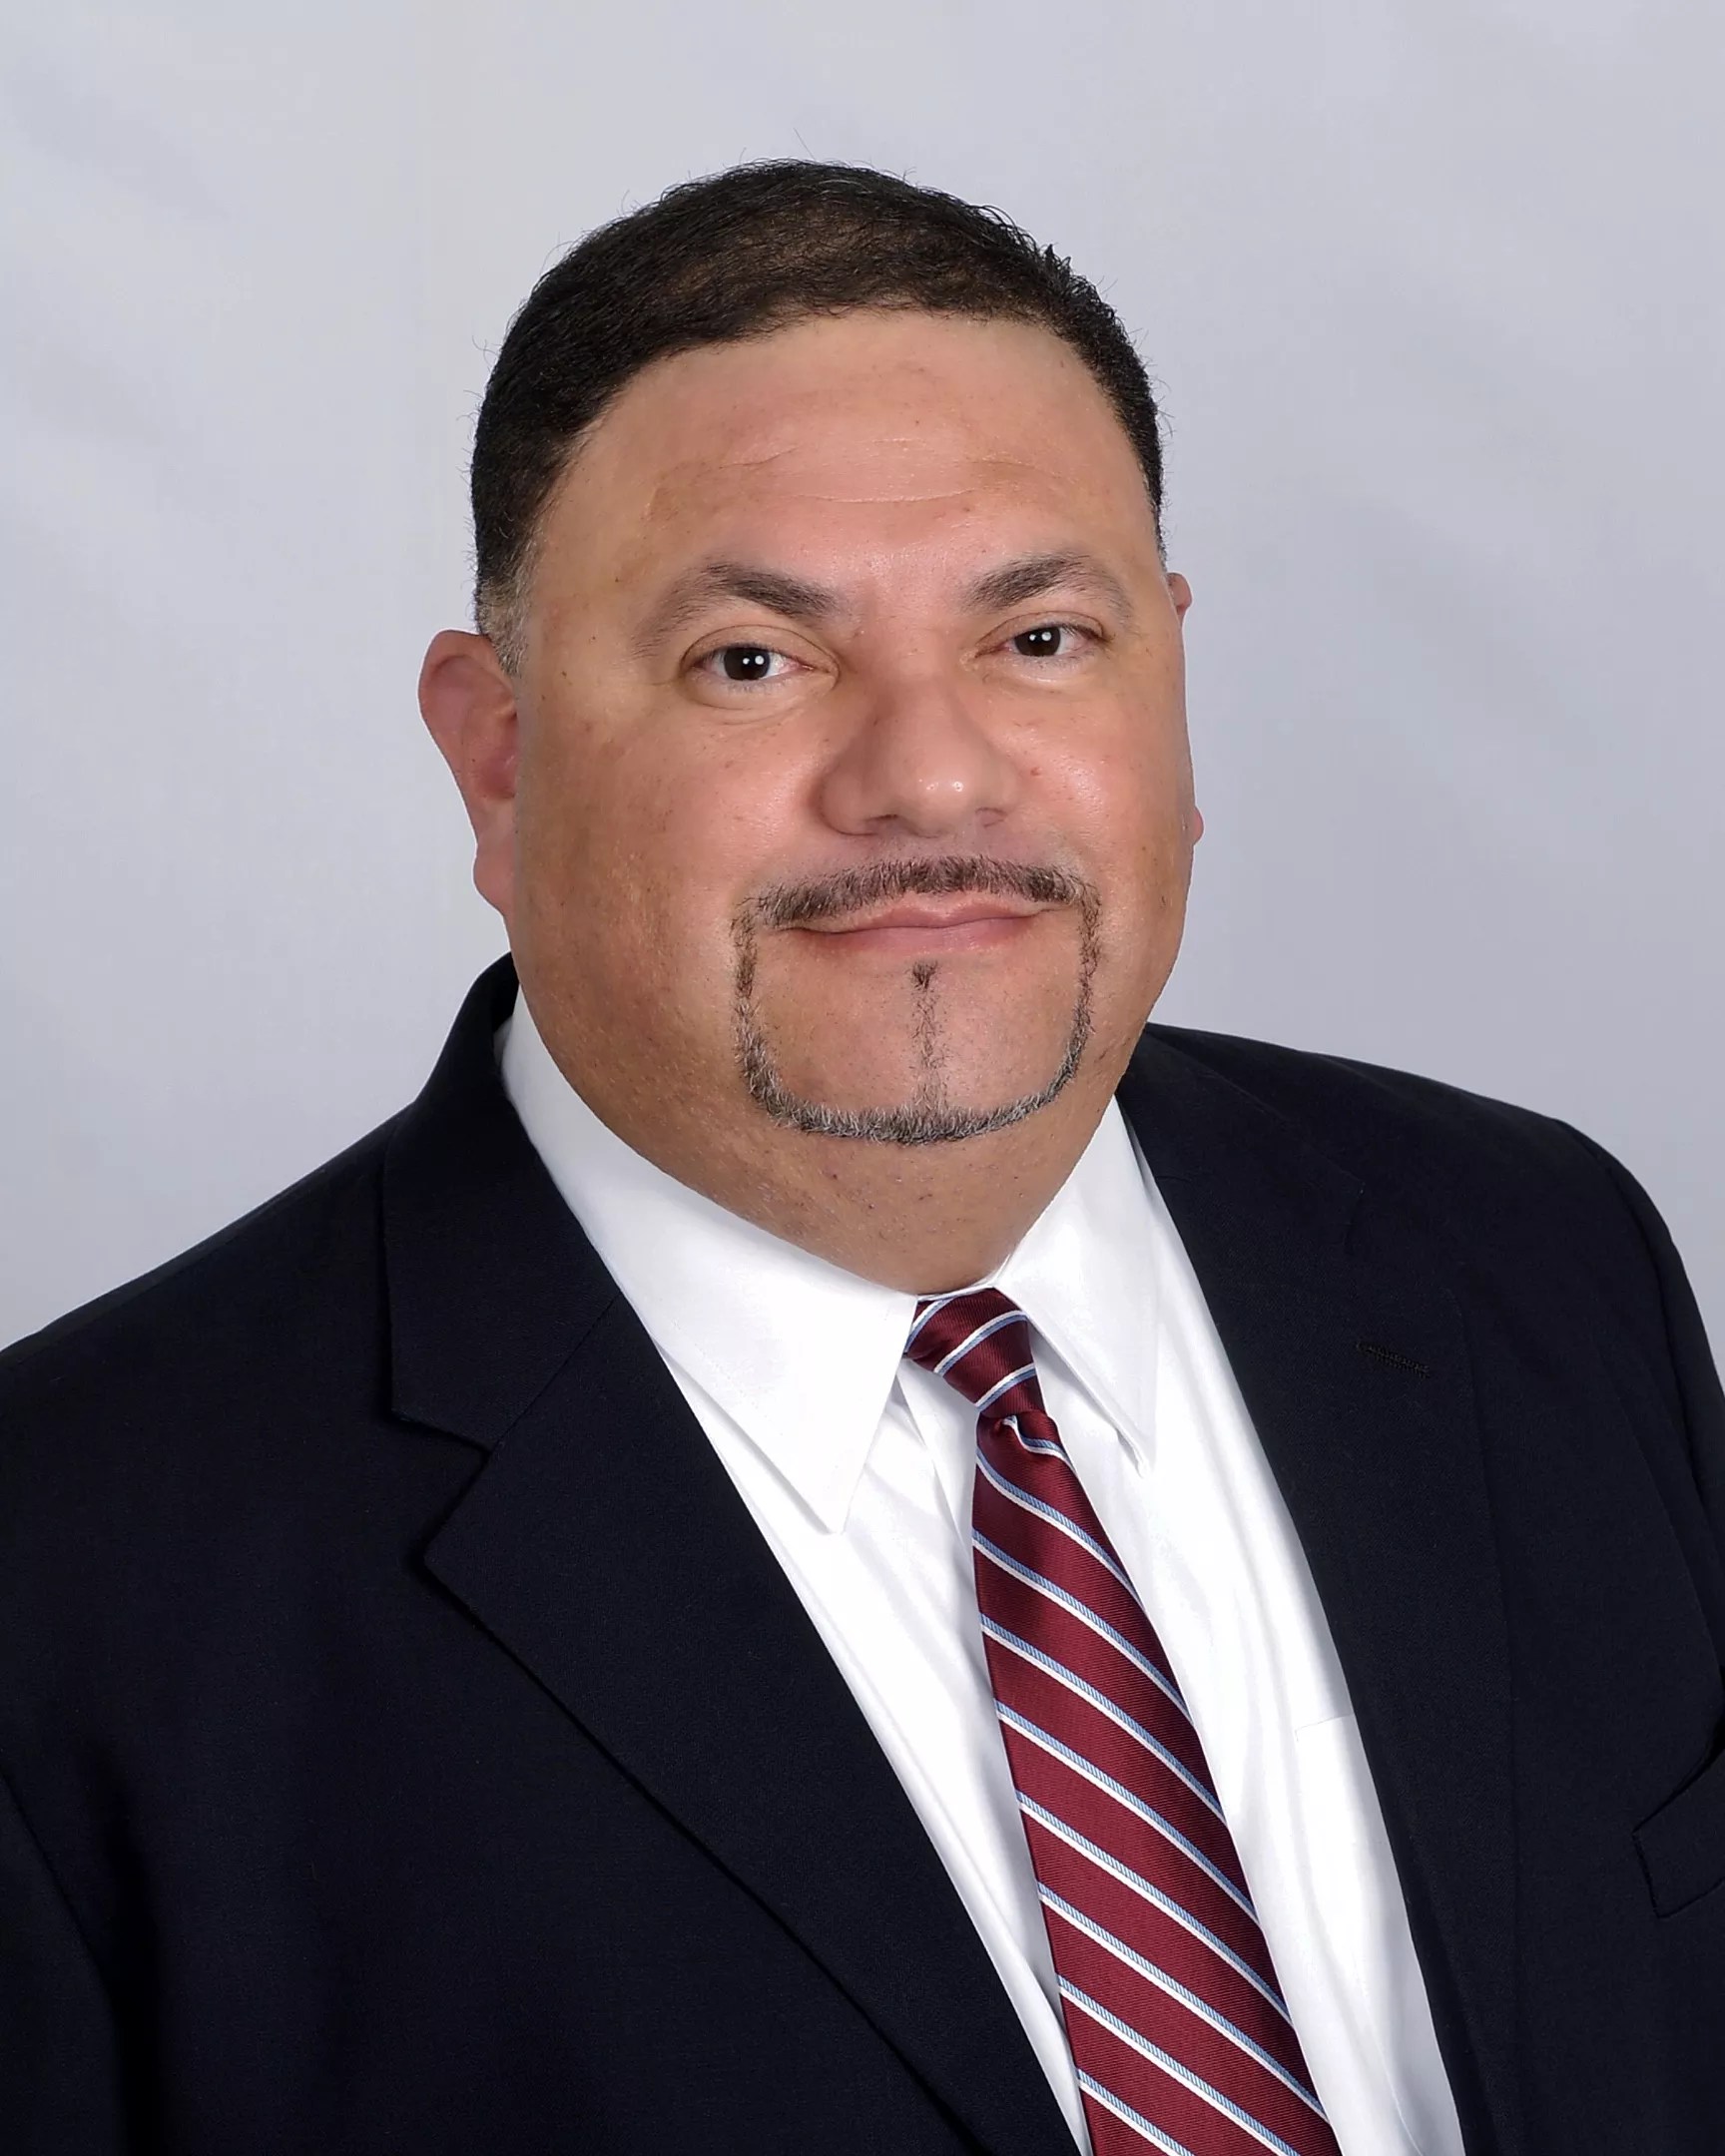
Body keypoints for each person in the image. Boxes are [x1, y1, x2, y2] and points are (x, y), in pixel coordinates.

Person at [2, 160, 1721, 2156]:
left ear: (1170, 673)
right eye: (753, 659)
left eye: (1041, 637)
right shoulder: (75, 1586)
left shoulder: (1535, 1258)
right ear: (498, 754)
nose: (930, 775)